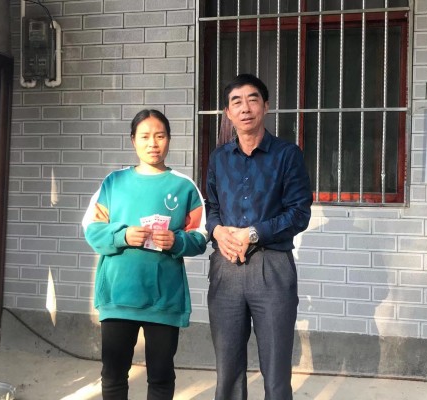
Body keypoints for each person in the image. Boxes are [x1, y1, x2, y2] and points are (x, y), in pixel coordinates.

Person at [82, 109, 208, 400]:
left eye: (160, 136)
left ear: (169, 140)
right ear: (133, 140)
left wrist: (176, 241)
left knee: (161, 376)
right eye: (145, 136)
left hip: (164, 298)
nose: (153, 143)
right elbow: (91, 228)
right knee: (113, 375)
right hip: (118, 296)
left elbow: (202, 235)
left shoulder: (183, 186)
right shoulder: (114, 183)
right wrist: (122, 235)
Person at [205, 74, 313, 400]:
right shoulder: (219, 158)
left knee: (276, 373)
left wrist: (253, 233)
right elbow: (211, 207)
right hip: (226, 267)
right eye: (236, 102)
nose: (245, 108)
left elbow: (299, 213)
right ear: (228, 113)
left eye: (252, 99)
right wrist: (217, 230)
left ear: (266, 106)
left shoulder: (287, 155)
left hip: (272, 266)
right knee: (227, 371)